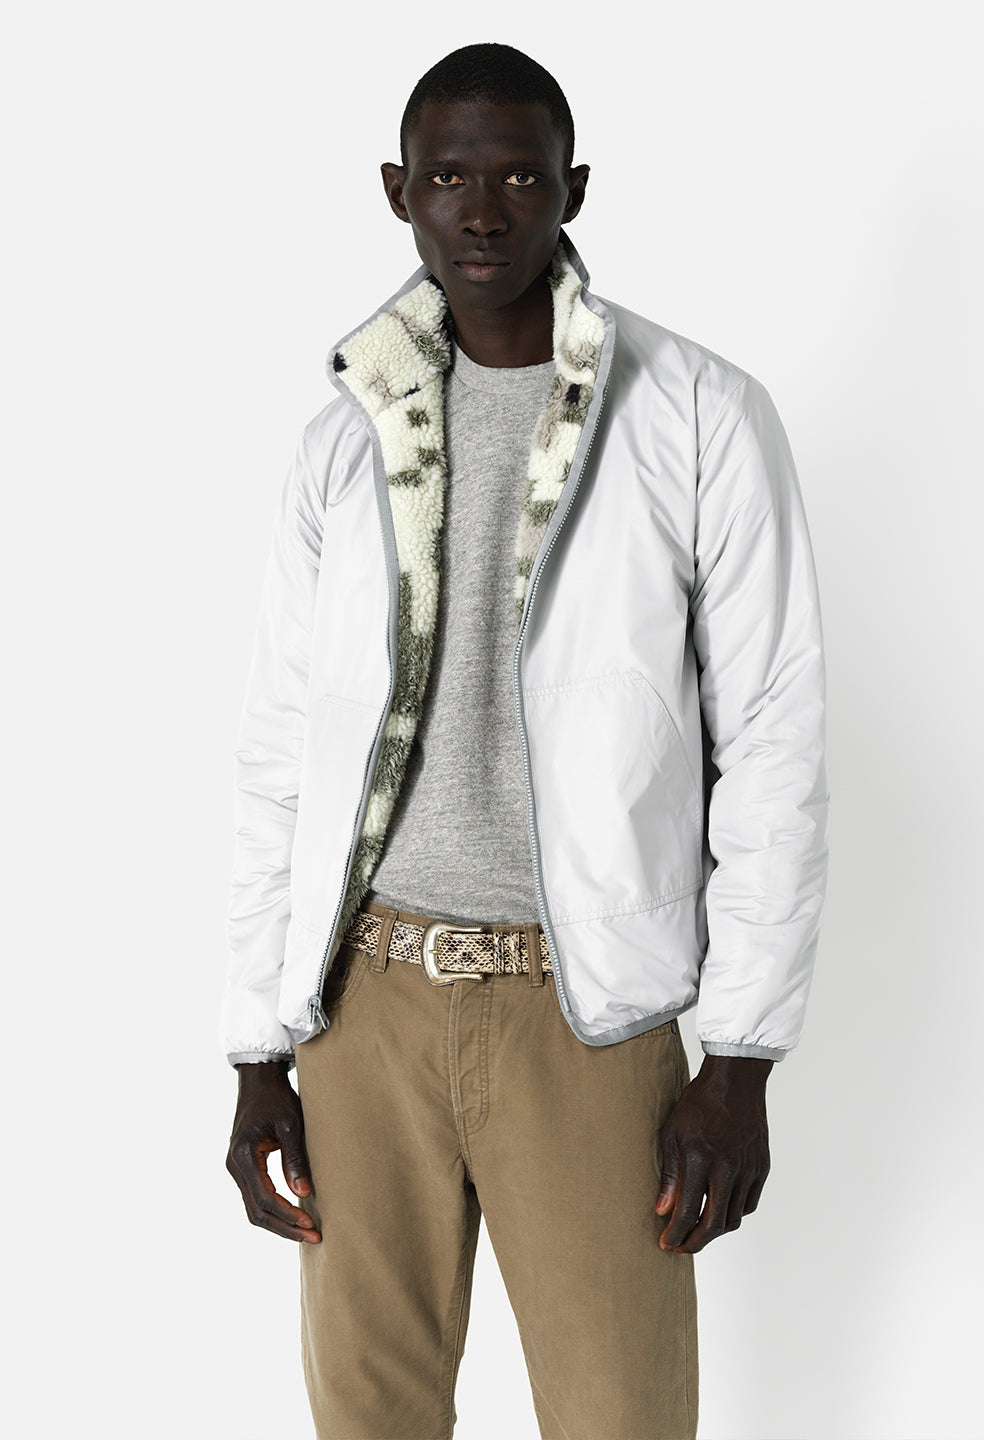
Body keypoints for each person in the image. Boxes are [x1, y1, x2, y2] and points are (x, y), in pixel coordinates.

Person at [223, 42, 829, 1440]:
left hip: (588, 1015)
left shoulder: (697, 414)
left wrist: (740, 1059)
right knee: (368, 1417)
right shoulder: (343, 439)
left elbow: (775, 743)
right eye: (449, 178)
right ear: (399, 191)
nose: (482, 212)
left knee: (621, 1416)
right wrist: (258, 1053)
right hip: (366, 1007)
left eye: (517, 177)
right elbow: (280, 754)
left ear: (574, 189)